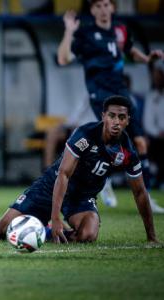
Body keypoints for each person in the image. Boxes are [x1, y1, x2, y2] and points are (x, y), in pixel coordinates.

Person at [0, 96, 158, 244]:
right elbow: (63, 174)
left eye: (121, 117)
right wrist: (55, 218)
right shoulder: (84, 136)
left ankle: (44, 233)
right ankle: (16, 228)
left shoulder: (127, 151)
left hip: (82, 197)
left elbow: (140, 193)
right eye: (111, 116)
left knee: (88, 235)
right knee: (2, 230)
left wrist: (151, 236)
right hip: (51, 186)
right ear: (103, 116)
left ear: (128, 121)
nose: (116, 121)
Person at [56, 0, 164, 213]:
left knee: (140, 143)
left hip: (121, 93)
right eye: (98, 6)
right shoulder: (86, 35)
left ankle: (147, 197)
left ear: (113, 7)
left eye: (106, 4)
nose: (103, 9)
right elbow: (63, 58)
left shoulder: (120, 30)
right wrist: (69, 31)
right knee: (108, 138)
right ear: (92, 10)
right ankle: (103, 181)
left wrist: (147, 58)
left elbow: (130, 51)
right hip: (100, 94)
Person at [144, 60, 164, 190]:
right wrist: (159, 132)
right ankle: (155, 180)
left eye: (159, 75)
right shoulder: (151, 96)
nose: (156, 79)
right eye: (154, 76)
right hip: (156, 138)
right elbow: (147, 121)